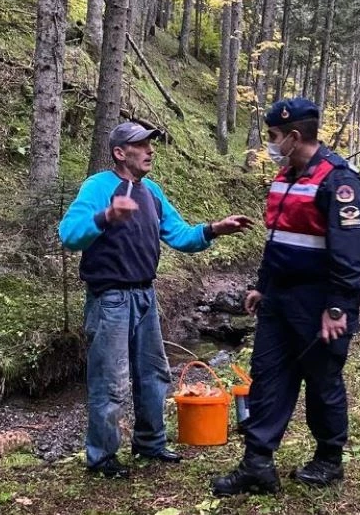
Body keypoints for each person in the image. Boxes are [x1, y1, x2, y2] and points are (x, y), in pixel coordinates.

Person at [59, 121, 253, 478]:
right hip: (110, 298)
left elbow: (179, 235)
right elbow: (69, 235)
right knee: (111, 380)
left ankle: (150, 443)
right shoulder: (98, 187)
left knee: (153, 373)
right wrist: (106, 216)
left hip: (146, 295)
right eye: (141, 145)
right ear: (120, 153)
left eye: (151, 144)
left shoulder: (151, 192)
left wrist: (214, 229)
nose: (150, 150)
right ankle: (102, 458)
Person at [212, 98, 360, 496]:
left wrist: (338, 308)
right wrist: (261, 285)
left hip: (319, 303)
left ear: (294, 137)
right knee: (267, 377)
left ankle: (329, 459)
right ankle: (257, 464)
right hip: (279, 299)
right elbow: (277, 239)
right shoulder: (285, 177)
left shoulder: (339, 182)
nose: (270, 144)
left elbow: (352, 255)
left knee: (322, 381)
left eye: (273, 136)